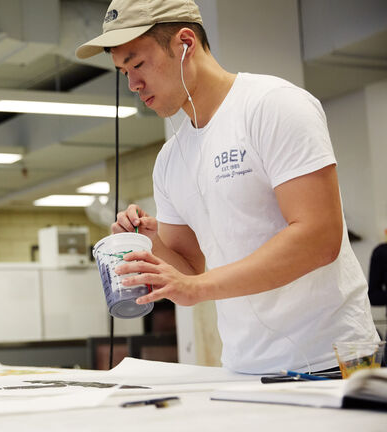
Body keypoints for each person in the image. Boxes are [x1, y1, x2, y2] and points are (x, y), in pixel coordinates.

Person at [76, 0, 378, 374]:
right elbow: (189, 273)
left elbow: (319, 238)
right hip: (243, 367)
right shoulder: (170, 160)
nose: (134, 84)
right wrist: (150, 244)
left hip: (334, 360)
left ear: (184, 42)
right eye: (123, 72)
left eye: (138, 64)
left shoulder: (272, 106)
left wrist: (197, 288)